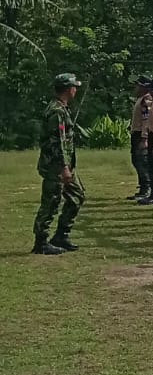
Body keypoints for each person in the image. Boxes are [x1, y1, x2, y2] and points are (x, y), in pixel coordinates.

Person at [33, 72, 86, 255]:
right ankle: (41, 242)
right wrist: (64, 167)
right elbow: (57, 141)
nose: (76, 90)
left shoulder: (61, 108)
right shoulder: (56, 111)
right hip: (56, 166)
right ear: (68, 89)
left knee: (77, 196)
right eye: (74, 87)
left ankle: (61, 235)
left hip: (64, 165)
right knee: (51, 202)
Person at [128, 76, 153, 201]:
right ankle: (143, 186)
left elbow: (146, 120)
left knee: (141, 161)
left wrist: (144, 138)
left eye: (138, 85)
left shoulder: (146, 100)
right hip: (136, 133)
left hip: (141, 134)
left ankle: (146, 187)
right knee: (136, 160)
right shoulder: (140, 99)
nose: (136, 88)